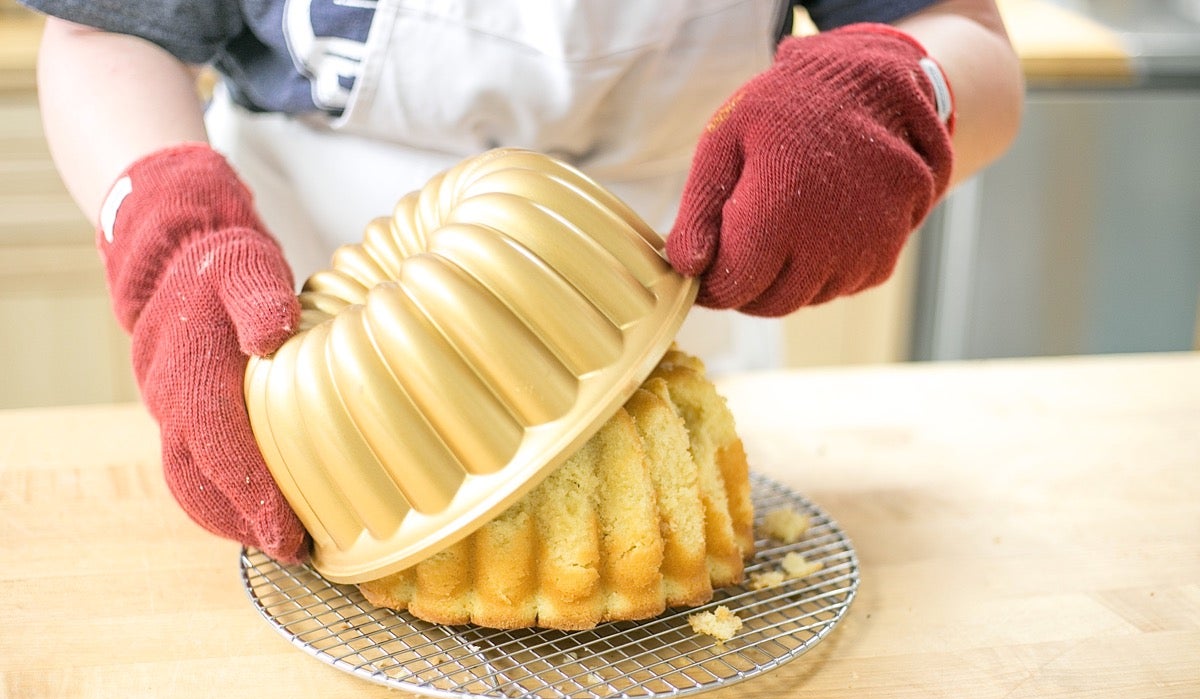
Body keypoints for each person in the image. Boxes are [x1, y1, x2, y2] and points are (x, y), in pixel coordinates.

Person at [21, 0, 1023, 564]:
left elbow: (969, 41)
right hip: (318, 362)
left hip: (667, 317)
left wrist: (900, 96)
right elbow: (106, 28)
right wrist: (164, 230)